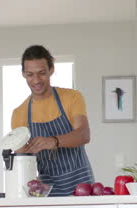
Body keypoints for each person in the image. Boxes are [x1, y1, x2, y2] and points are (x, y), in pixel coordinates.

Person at [11, 45, 94, 196]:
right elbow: (23, 160)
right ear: (23, 74)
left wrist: (53, 141)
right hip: (47, 189)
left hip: (81, 185)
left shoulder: (72, 97)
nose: (36, 80)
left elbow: (83, 134)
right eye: (30, 74)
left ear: (51, 70)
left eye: (42, 73)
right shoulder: (19, 113)